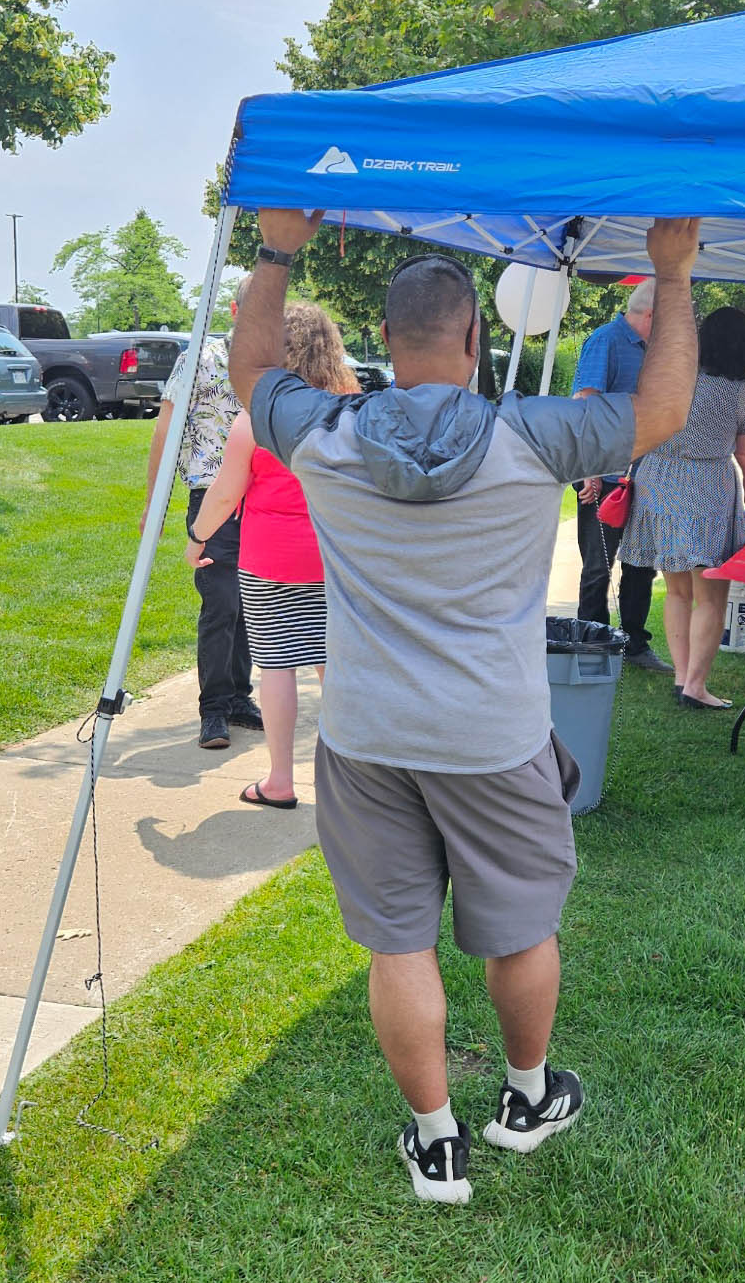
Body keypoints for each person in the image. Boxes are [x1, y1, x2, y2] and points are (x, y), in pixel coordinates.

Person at [233, 208, 701, 1205]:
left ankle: (437, 1143)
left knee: (398, 942)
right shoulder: (531, 439)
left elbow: (249, 375)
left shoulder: (325, 434)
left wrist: (276, 251)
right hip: (495, 736)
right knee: (522, 926)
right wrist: (675, 274)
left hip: (367, 735)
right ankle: (526, 1101)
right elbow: (662, 411)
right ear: (475, 337)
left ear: (387, 343)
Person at [183, 301, 358, 809]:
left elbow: (223, 495)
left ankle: (281, 780)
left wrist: (197, 540)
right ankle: (351, 783)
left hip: (270, 561)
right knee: (337, 671)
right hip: (336, 557)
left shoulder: (256, 417)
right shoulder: (351, 407)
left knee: (277, 671)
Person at [619, 305, 745, 710]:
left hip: (659, 480)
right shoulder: (737, 388)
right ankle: (696, 687)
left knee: (677, 590)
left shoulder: (673, 377)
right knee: (711, 595)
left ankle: (682, 677)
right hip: (705, 485)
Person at [143, 316, 262, 749]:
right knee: (221, 603)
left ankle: (238, 698)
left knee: (251, 602)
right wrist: (153, 505)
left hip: (264, 499)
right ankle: (213, 709)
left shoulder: (275, 359)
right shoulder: (197, 358)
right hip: (211, 499)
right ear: (235, 310)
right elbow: (165, 432)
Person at [570, 282, 670, 673]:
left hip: (646, 475)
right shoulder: (606, 341)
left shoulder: (653, 350)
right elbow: (584, 406)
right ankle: (591, 642)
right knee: (598, 567)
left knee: (641, 566)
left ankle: (634, 644)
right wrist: (589, 473)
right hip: (604, 477)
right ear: (650, 315)